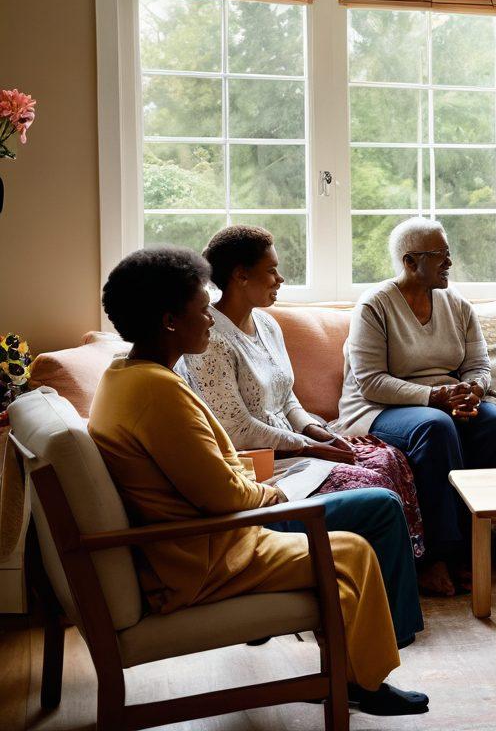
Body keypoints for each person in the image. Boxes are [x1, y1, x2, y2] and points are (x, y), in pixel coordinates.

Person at [88, 247, 426, 715]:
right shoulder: (158, 392)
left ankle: (352, 668)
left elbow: (206, 470)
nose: (210, 318)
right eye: (201, 309)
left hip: (194, 542)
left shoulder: (124, 376)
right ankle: (363, 680)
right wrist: (279, 491)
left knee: (371, 507)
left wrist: (295, 453)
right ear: (169, 321)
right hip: (209, 557)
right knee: (355, 546)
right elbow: (224, 496)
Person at [178, 225, 425, 561]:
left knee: (389, 458)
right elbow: (236, 429)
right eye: (271, 270)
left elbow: (287, 397)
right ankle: (365, 570)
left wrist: (320, 432)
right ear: (241, 276)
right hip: (265, 463)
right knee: (369, 480)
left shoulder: (267, 324)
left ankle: (404, 569)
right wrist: (312, 447)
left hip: (298, 446)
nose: (279, 279)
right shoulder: (210, 339)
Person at [332, 217, 496, 596]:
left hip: (444, 401)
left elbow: (479, 365)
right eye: (440, 255)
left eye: (448, 253)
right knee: (435, 427)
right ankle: (437, 556)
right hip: (378, 407)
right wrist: (434, 397)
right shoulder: (374, 306)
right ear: (410, 261)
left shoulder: (457, 303)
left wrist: (473, 391)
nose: (449, 262)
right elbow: (371, 381)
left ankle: (481, 544)